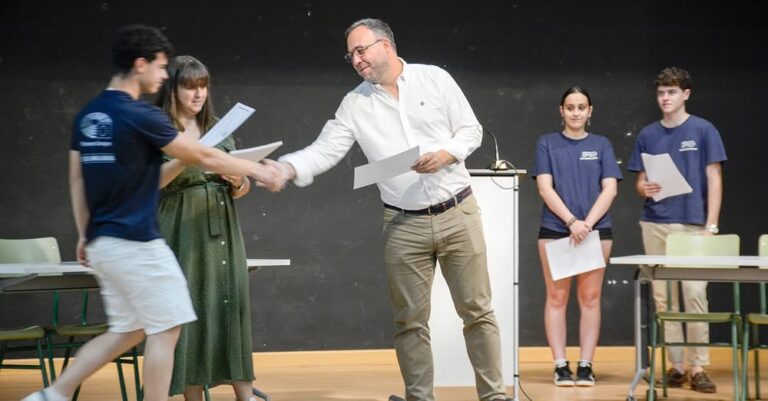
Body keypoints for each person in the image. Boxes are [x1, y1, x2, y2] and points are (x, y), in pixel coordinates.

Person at [21, 24, 284, 401]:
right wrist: (258, 170)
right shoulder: (140, 115)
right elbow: (199, 154)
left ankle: (53, 394)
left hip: (103, 242)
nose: (163, 77)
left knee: (128, 331)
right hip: (137, 242)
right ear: (140, 64)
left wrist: (84, 233)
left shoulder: (89, 115)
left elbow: (77, 179)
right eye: (161, 68)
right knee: (170, 324)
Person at [272, 18, 510, 401]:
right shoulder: (354, 104)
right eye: (350, 54)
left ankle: (494, 395)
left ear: (386, 45)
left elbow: (471, 130)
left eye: (361, 50)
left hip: (457, 212)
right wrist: (287, 167)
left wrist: (447, 154)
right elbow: (327, 148)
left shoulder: (434, 79)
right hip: (403, 223)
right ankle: (419, 398)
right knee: (410, 322)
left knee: (477, 312)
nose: (356, 59)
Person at [155, 55, 257, 401]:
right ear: (173, 89)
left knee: (231, 303)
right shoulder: (160, 129)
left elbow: (241, 190)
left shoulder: (219, 127)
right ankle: (193, 395)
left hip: (224, 225)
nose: (198, 94)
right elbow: (152, 182)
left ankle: (244, 392)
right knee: (191, 307)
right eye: (189, 86)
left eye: (203, 86)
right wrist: (190, 153)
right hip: (183, 226)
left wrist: (238, 179)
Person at [628, 66, 726, 394]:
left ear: (686, 94)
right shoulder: (648, 134)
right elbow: (640, 181)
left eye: (671, 92)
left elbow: (714, 177)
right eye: (660, 93)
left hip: (693, 224)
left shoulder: (704, 130)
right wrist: (646, 188)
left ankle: (698, 366)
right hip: (655, 221)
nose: (665, 98)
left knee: (695, 295)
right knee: (664, 298)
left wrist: (711, 225)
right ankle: (677, 365)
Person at [532, 87, 621, 387]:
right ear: (561, 110)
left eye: (581, 107)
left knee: (590, 298)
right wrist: (571, 221)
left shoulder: (602, 145)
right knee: (557, 298)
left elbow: (610, 188)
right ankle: (560, 365)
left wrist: (586, 224)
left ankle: (586, 365)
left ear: (590, 111)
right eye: (570, 107)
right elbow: (545, 187)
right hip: (556, 231)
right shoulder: (547, 143)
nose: (576, 112)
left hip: (595, 232)